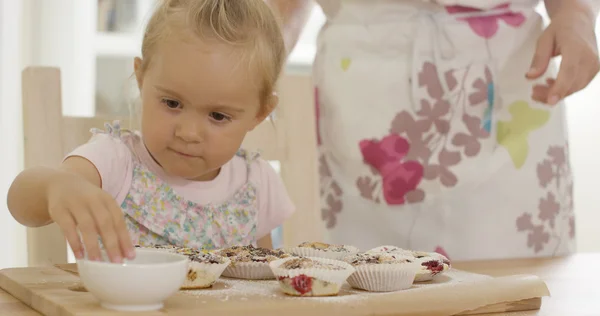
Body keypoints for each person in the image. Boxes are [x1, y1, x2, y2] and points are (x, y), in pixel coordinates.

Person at [266, 0, 599, 260]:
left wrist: (576, 12)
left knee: (521, 289)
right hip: (365, 81)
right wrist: (254, 58)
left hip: (511, 85)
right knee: (372, 284)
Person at [7, 0, 294, 263]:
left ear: (260, 113)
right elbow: (20, 201)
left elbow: (260, 282)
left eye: (218, 116)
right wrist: (56, 186)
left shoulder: (256, 183)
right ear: (142, 78)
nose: (188, 132)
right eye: (172, 103)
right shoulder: (116, 160)